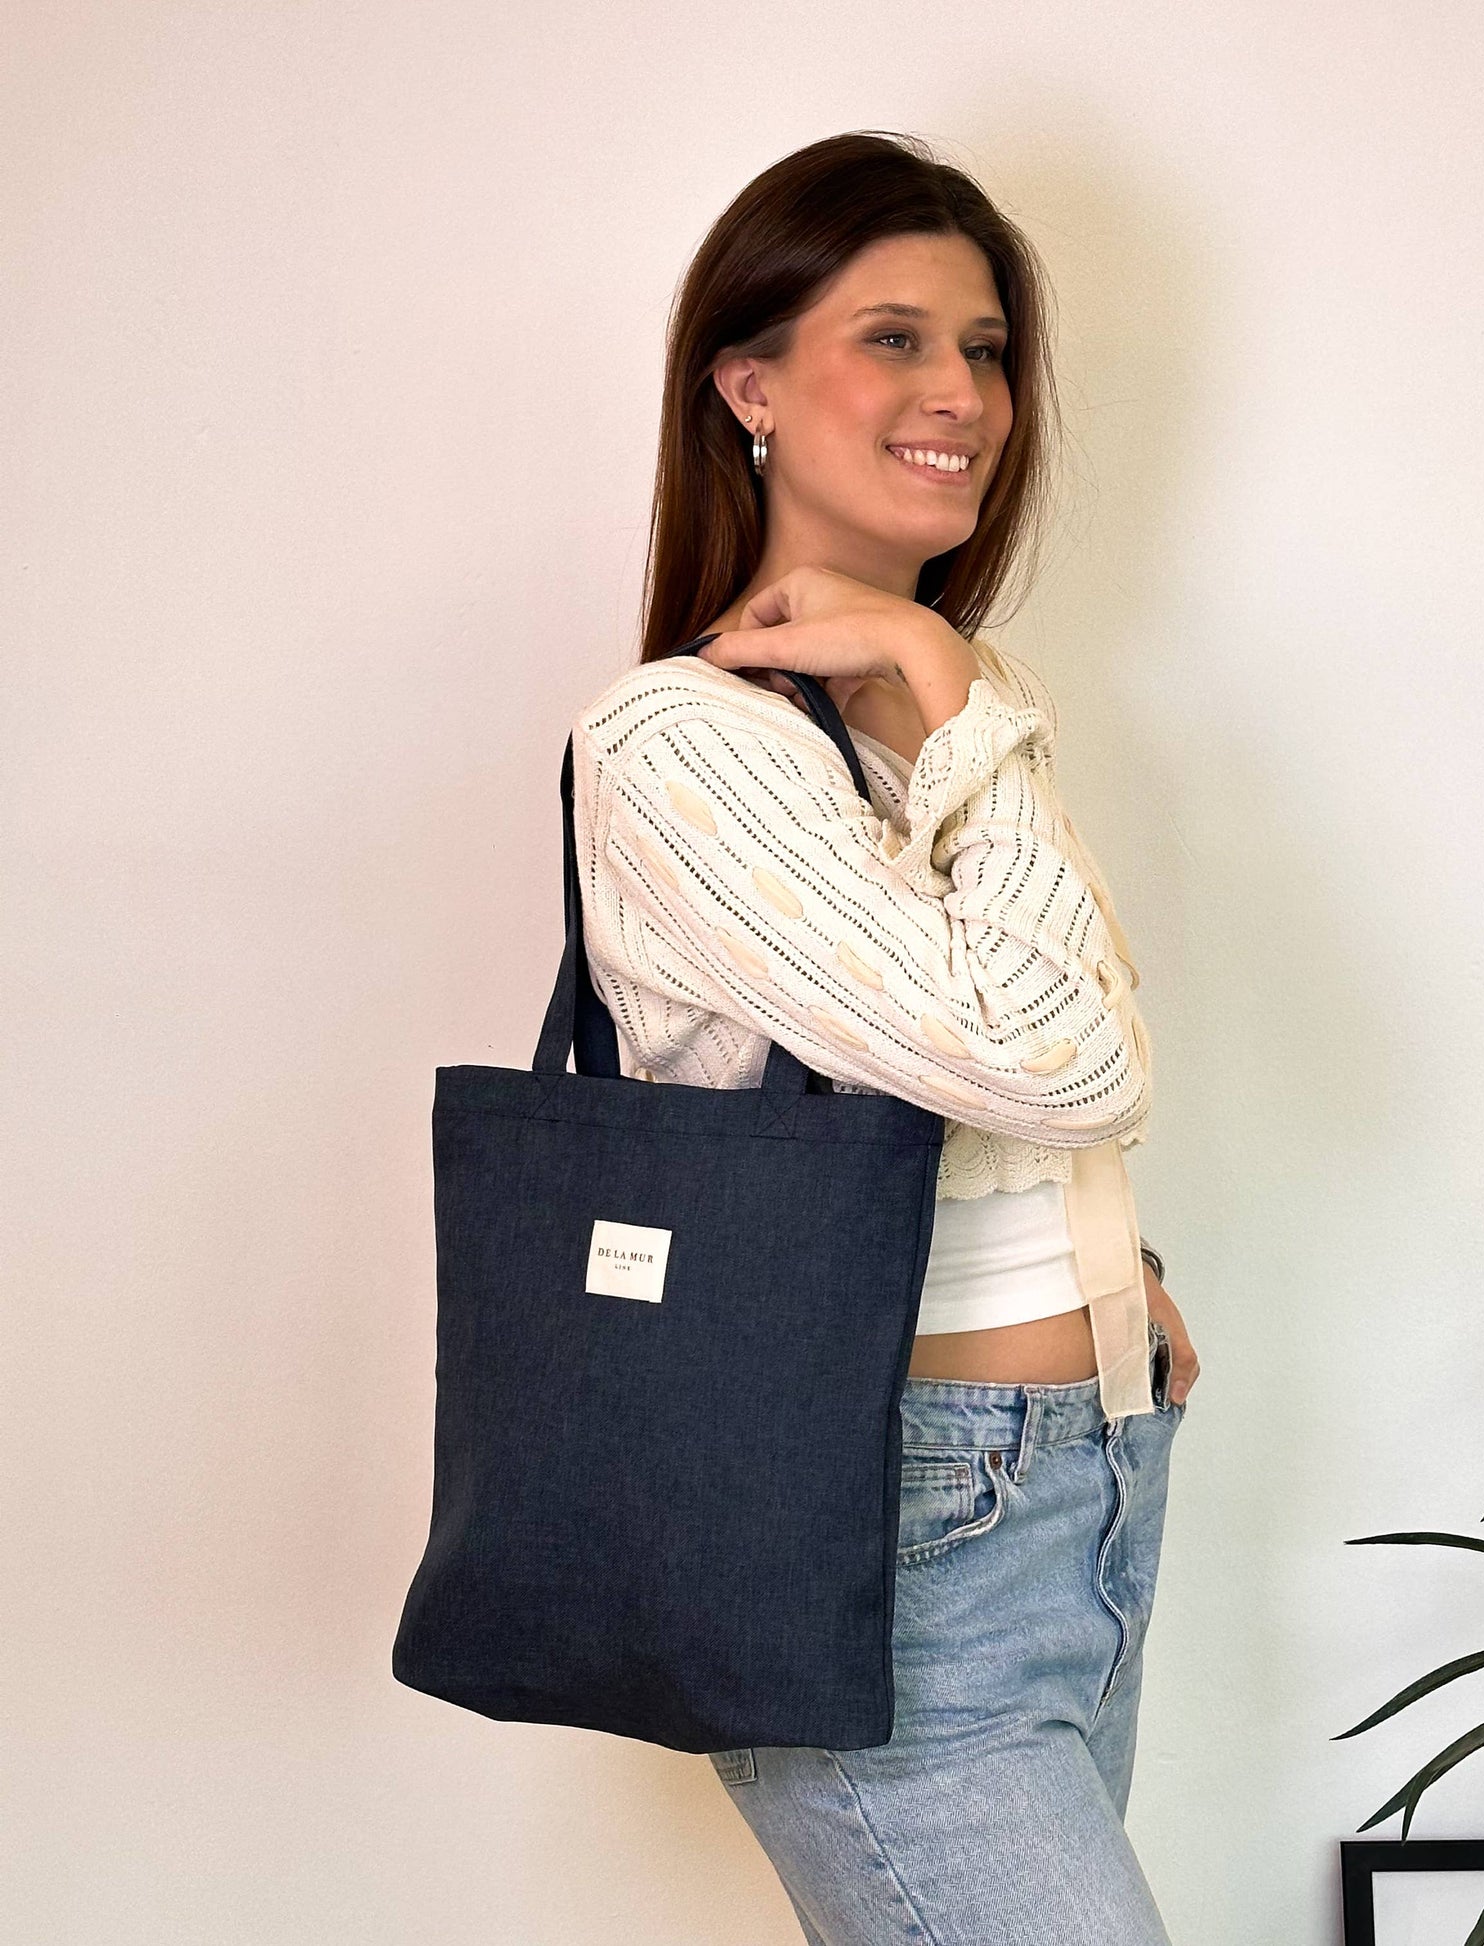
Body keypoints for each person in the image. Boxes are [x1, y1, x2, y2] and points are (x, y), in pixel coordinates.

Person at [569, 129, 1199, 1946]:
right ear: (748, 386)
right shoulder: (678, 744)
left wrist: (1109, 1274)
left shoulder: (932, 711)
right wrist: (950, 684)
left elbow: (1012, 1060)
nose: (963, 396)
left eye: (984, 350)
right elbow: (1061, 1056)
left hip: (1083, 1471)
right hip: (887, 1514)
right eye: (895, 339)